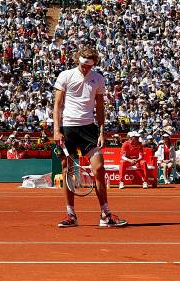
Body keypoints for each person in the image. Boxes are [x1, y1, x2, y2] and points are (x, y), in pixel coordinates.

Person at [53, 47, 126, 228]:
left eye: (89, 66)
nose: (86, 68)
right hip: (68, 127)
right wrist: (56, 129)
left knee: (99, 167)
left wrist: (101, 131)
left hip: (89, 128)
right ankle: (71, 215)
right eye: (84, 65)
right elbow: (58, 104)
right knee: (67, 171)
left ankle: (105, 214)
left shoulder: (98, 78)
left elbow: (100, 108)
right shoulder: (65, 75)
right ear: (78, 60)